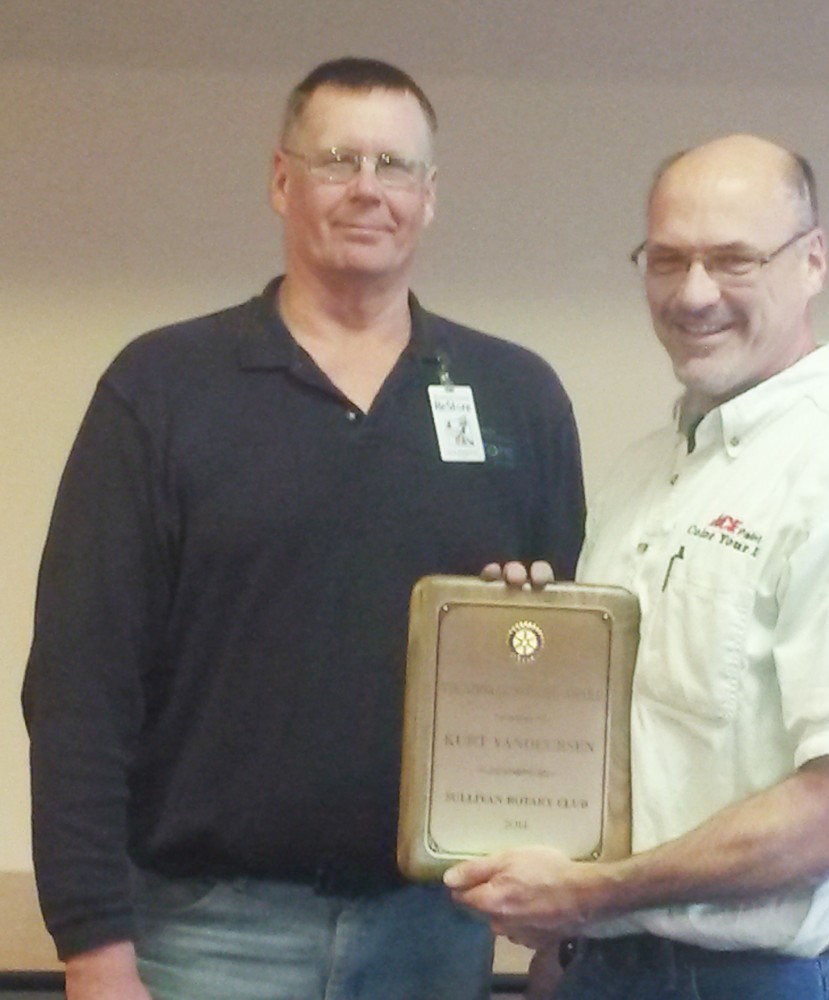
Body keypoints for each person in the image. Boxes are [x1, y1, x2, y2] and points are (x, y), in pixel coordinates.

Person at [22, 57, 585, 1000]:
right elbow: (79, 687)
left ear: (430, 196)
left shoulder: (518, 399)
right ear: (283, 179)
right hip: (201, 935)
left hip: (434, 934)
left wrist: (564, 922)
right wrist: (92, 947)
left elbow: (569, 682)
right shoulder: (161, 390)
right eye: (339, 160)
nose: (369, 189)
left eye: (396, 166)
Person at [445, 134, 829, 1000]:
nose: (694, 294)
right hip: (605, 968)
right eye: (667, 260)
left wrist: (590, 893)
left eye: (734, 260)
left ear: (813, 261)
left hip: (757, 980)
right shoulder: (644, 475)